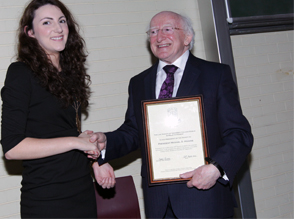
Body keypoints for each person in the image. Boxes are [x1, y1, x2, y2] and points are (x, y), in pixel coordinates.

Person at [90, 11, 253, 218]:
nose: (159, 37)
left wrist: (216, 168)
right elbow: (133, 132)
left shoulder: (216, 75)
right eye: (153, 31)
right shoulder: (139, 82)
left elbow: (239, 134)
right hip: (158, 203)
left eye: (167, 29)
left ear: (187, 37)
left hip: (205, 199)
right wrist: (105, 144)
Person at [0, 0, 115, 218]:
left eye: (62, 21)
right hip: (47, 198)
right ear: (30, 33)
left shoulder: (69, 73)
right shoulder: (20, 73)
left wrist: (94, 159)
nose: (58, 28)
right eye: (47, 22)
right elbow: (12, 148)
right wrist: (76, 142)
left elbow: (62, 131)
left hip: (81, 191)